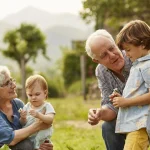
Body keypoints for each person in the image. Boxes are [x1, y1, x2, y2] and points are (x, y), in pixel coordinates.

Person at [85, 29, 132, 150]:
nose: (112, 55)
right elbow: (111, 106)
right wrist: (100, 114)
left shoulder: (134, 55)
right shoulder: (100, 71)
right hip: (131, 117)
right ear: (96, 60)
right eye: (104, 55)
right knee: (108, 127)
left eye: (111, 48)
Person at [110, 20, 150, 150]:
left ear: (142, 44)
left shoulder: (147, 66)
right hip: (135, 124)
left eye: (128, 49)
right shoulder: (138, 65)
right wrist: (121, 98)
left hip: (140, 125)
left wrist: (126, 102)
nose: (126, 54)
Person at [0, 65, 53, 150]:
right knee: (25, 145)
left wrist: (43, 144)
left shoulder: (18, 104)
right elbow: (11, 139)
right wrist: (38, 125)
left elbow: (29, 131)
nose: (14, 85)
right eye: (7, 83)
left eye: (12, 80)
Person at [20, 74, 55, 150]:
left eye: (37, 94)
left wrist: (39, 115)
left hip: (42, 139)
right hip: (28, 137)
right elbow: (23, 124)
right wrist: (22, 118)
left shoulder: (46, 106)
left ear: (45, 93)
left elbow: (50, 120)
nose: (33, 97)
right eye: (30, 95)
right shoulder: (27, 106)